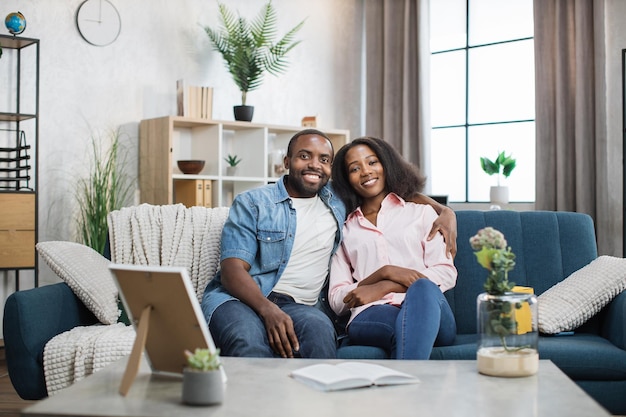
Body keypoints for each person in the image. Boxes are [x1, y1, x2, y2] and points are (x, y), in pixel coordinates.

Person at [201, 129, 457, 359]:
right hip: (244, 298)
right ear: (287, 162)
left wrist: (445, 211)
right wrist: (269, 311)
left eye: (324, 159)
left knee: (322, 336)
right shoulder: (255, 202)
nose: (315, 165)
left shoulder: (338, 201)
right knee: (249, 341)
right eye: (304, 156)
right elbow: (232, 271)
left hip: (301, 305)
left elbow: (387, 185)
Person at [328, 136, 457, 359]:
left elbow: (446, 273)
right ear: (347, 179)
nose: (366, 171)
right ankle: (412, 388)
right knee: (408, 327)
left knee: (423, 289)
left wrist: (384, 285)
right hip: (372, 314)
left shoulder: (421, 213)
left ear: (386, 164)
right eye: (354, 168)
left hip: (430, 309)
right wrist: (378, 277)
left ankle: (404, 384)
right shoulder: (346, 230)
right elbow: (338, 300)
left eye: (372, 162)